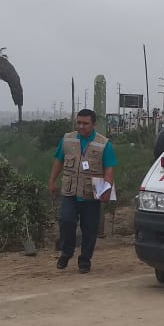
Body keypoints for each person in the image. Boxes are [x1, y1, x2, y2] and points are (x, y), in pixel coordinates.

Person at [48, 109, 116, 273]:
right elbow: (58, 161)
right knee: (66, 221)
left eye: (85, 123)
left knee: (90, 229)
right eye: (79, 123)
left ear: (93, 124)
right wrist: (51, 181)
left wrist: (107, 189)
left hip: (92, 193)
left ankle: (85, 260)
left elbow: (109, 169)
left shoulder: (104, 144)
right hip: (70, 192)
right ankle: (66, 252)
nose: (81, 126)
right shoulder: (67, 140)